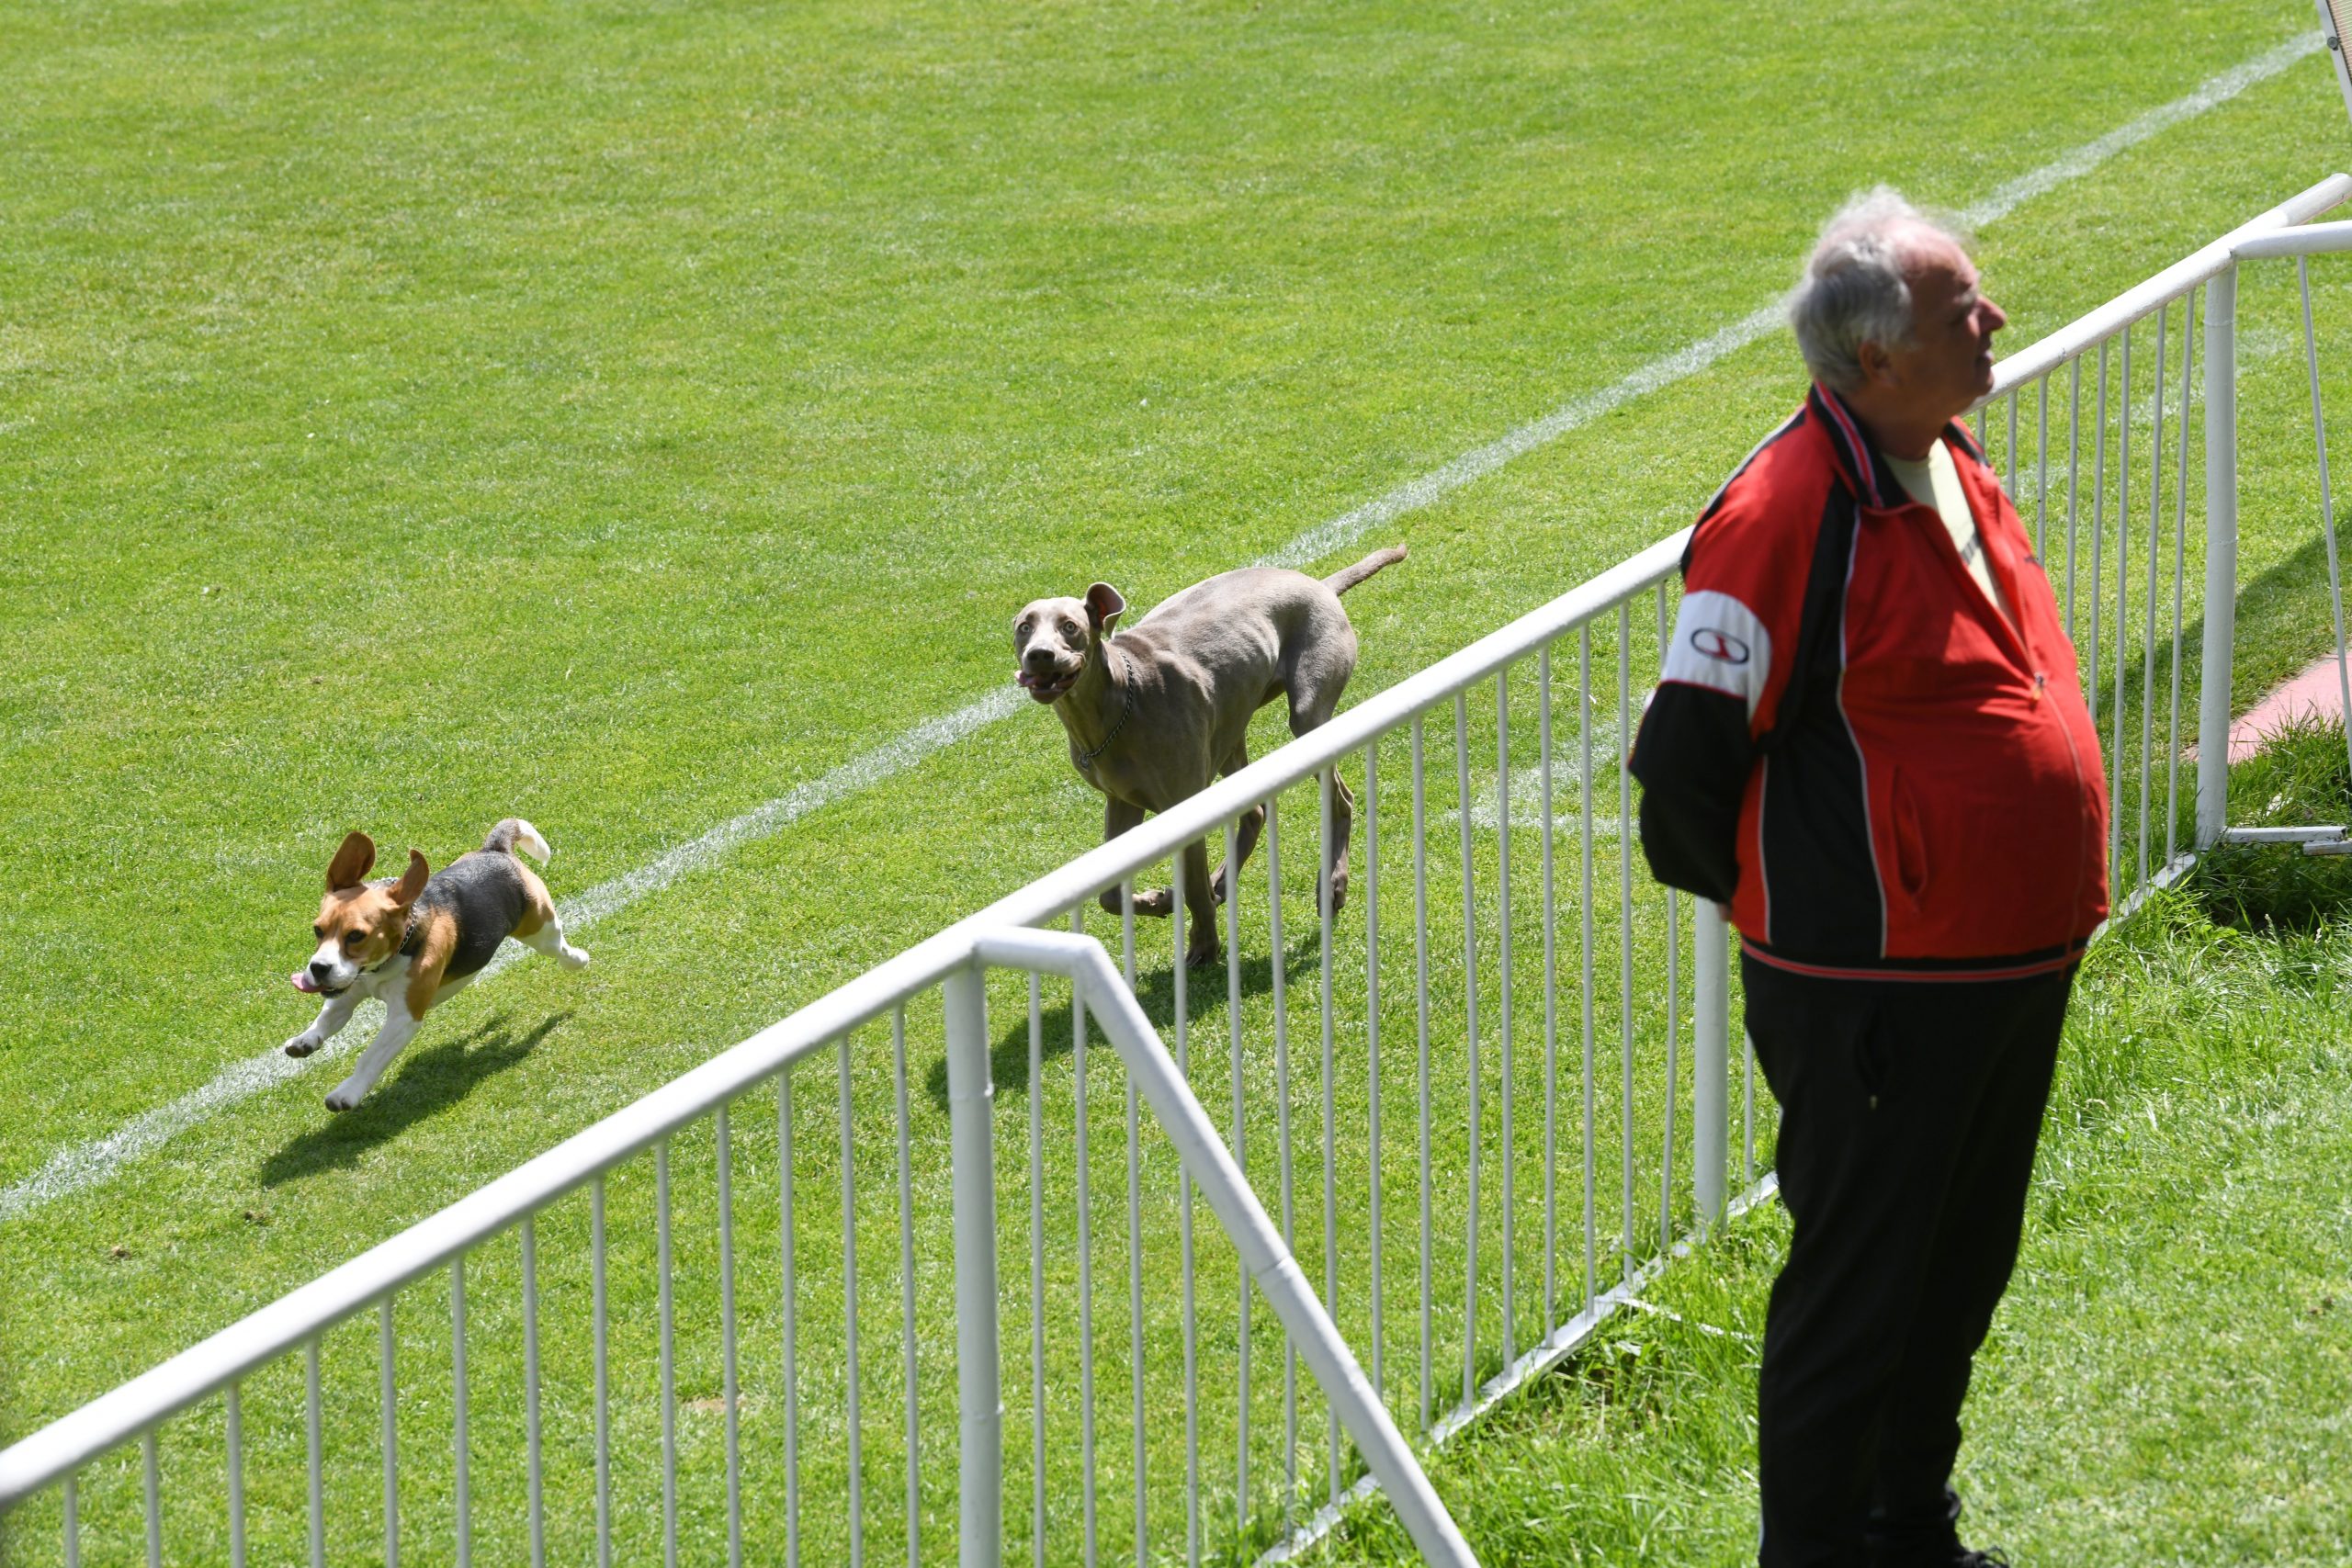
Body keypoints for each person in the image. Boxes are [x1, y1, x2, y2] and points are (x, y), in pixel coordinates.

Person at [1626, 189, 2109, 1568]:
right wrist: (1826, 904)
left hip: (2008, 962)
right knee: (1860, 1294)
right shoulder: (1778, 509)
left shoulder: (1952, 454)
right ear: (1877, 357)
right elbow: (1684, 769)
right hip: (1877, 987)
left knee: (1956, 1275)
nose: (1995, 318)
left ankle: (1910, 1532)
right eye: (1966, 307)